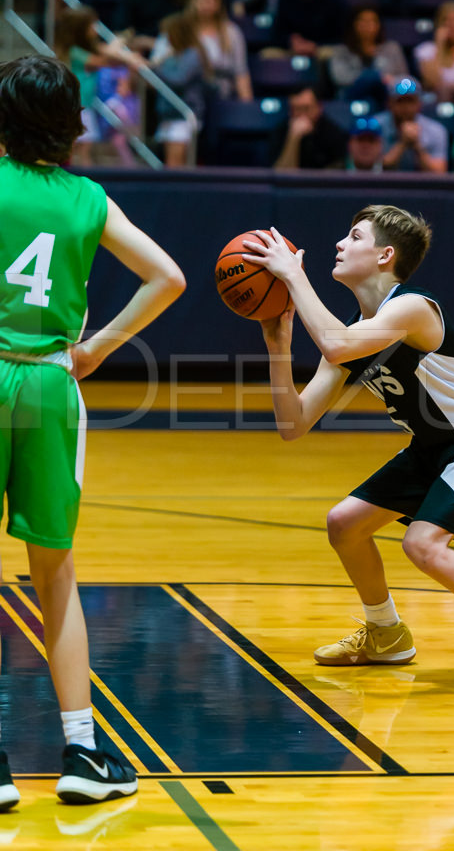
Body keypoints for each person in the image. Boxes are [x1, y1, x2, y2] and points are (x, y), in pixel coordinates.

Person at [243, 205, 454, 701]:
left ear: (384, 255)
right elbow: (294, 423)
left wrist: (291, 274)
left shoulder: (413, 307)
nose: (339, 244)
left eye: (353, 236)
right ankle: (386, 634)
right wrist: (278, 344)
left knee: (423, 544)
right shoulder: (358, 329)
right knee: (344, 523)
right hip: (435, 447)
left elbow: (333, 344)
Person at [0, 54, 185, 807]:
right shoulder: (88, 198)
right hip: (50, 382)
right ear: (73, 125)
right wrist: (100, 346)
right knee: (56, 571)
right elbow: (168, 277)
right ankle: (82, 753)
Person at [54, 6, 145, 165]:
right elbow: (103, 61)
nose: (96, 29)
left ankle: (83, 181)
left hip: (85, 106)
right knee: (77, 146)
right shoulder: (74, 51)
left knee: (85, 146)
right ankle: (68, 177)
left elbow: (109, 55)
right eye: (92, 25)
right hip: (75, 106)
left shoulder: (90, 48)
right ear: (80, 29)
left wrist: (125, 52)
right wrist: (121, 48)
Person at [152, 12, 211, 167]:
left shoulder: (193, 54)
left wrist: (156, 66)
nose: (164, 38)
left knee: (175, 164)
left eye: (167, 33)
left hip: (184, 115)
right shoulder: (171, 55)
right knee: (169, 162)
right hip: (168, 115)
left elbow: (179, 79)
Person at [184, 0, 252, 101]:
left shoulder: (231, 31)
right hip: (188, 94)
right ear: (192, 0)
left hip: (222, 94)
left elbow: (241, 72)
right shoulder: (179, 29)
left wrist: (247, 106)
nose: (209, 2)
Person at [329, 6, 408, 105]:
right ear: (353, 24)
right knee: (372, 77)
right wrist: (377, 77)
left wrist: (388, 80)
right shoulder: (340, 50)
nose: (367, 25)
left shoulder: (392, 48)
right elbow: (339, 78)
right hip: (352, 97)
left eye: (372, 21)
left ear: (379, 25)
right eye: (362, 21)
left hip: (386, 96)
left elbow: (403, 77)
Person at [376, 76, 447, 172]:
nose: (406, 107)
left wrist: (417, 145)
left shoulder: (436, 130)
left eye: (410, 101)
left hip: (422, 186)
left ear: (419, 104)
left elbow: (439, 174)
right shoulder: (376, 126)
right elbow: (374, 170)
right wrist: (402, 143)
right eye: (400, 101)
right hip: (383, 186)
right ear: (390, 103)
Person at [273, 86, 348, 169]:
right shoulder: (281, 131)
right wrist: (293, 138)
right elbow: (282, 176)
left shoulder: (333, 133)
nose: (301, 114)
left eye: (306, 108)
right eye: (296, 109)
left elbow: (337, 174)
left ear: (319, 108)